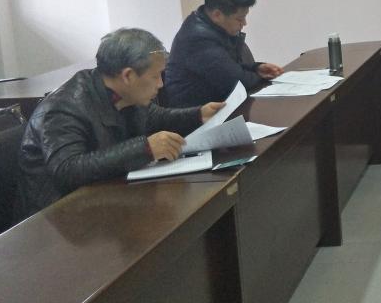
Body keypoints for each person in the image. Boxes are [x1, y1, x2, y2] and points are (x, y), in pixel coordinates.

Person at [15, 28, 224, 219]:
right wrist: (145, 148)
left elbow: (155, 117)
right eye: (155, 76)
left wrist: (198, 114)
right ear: (128, 75)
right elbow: (67, 170)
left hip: (103, 197)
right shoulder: (63, 108)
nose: (161, 84)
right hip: (59, 219)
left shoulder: (123, 92)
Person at [163, 0, 283, 107]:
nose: (244, 23)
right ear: (217, 15)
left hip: (217, 104)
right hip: (196, 115)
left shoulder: (212, 26)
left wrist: (256, 68)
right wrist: (260, 76)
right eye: (240, 18)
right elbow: (237, 82)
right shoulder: (198, 38)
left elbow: (228, 66)